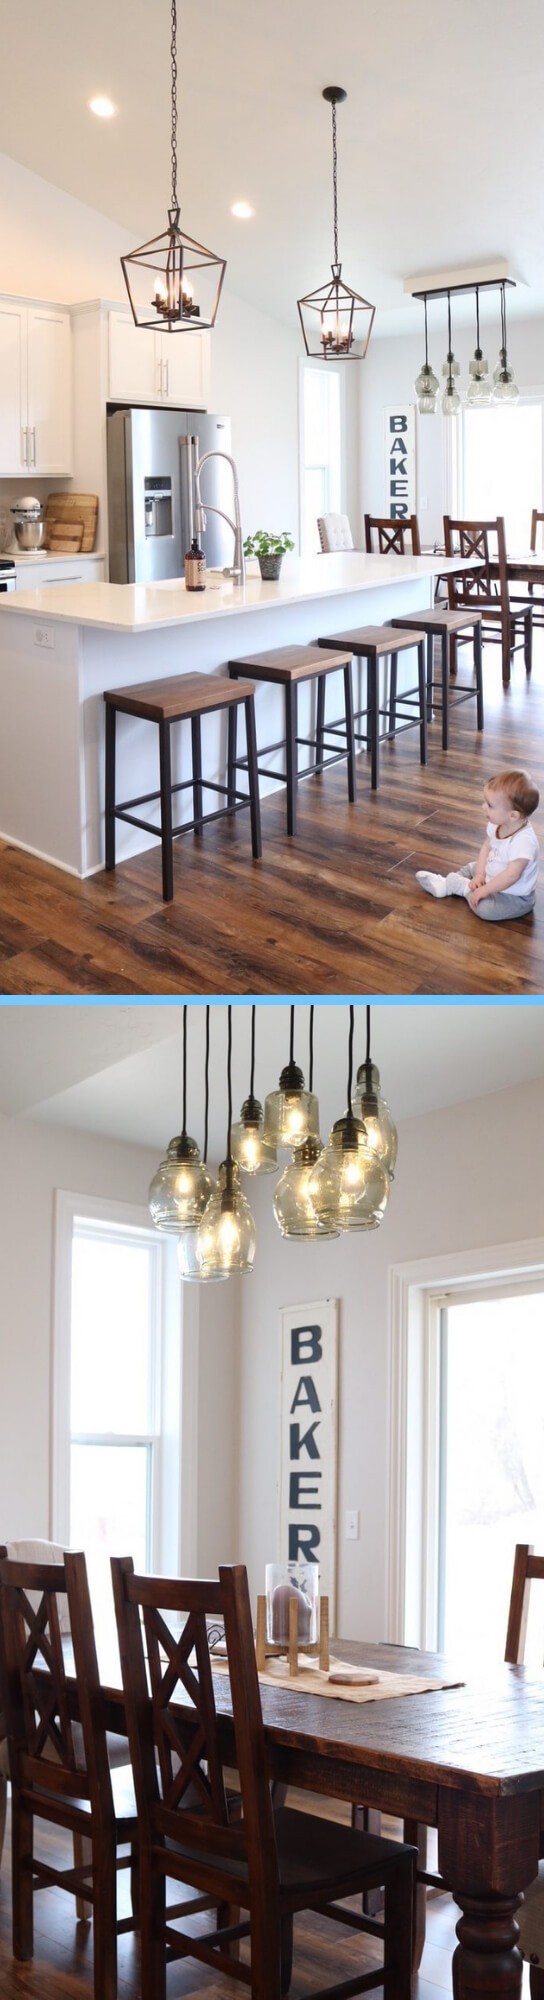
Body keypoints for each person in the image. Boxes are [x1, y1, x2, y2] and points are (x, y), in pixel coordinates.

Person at [416, 770, 539, 922]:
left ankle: (460, 887)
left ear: (512, 816)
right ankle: (449, 884)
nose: (483, 807)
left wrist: (485, 889)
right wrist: (480, 874)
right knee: (472, 867)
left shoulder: (524, 842)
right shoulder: (498, 824)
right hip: (492, 874)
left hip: (513, 896)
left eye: (490, 805)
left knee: (486, 910)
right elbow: (487, 848)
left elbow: (511, 876)